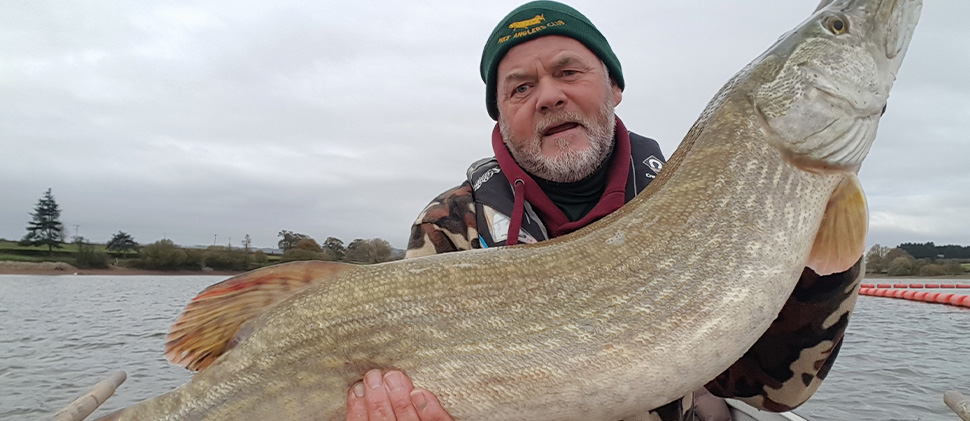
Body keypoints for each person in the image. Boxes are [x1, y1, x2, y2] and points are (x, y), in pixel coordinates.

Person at [345, 2, 862, 420]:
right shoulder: (451, 223)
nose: (548, 96)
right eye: (520, 87)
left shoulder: (701, 200)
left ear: (614, 87)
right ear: (501, 116)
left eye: (569, 71)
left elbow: (775, 392)